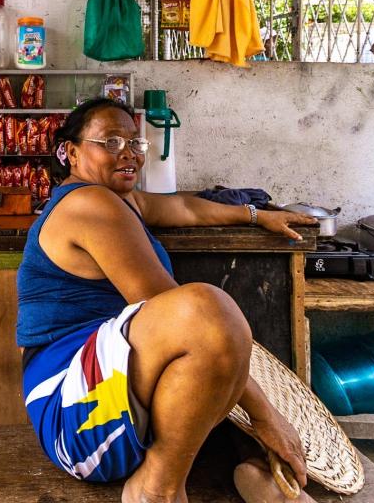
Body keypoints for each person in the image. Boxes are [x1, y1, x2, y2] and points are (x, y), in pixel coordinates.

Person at [17, 97, 318, 503]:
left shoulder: (123, 200)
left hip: (109, 393)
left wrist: (255, 215)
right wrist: (266, 415)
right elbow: (174, 309)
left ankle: (260, 474)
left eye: (134, 143)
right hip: (72, 412)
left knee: (214, 361)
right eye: (109, 142)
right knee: (211, 316)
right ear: (70, 152)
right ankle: (155, 489)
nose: (127, 153)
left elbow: (184, 207)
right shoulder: (89, 204)